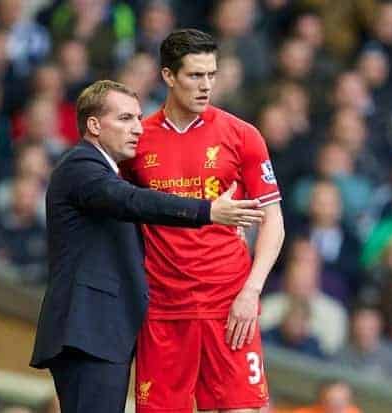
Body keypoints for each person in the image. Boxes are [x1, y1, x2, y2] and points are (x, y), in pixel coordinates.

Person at [30, 80, 265, 413]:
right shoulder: (81, 167)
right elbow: (129, 201)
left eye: (139, 118)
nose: (138, 129)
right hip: (88, 333)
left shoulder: (107, 173)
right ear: (94, 125)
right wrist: (208, 211)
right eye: (125, 119)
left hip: (103, 335)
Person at [120, 29, 285, 412]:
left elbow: (273, 219)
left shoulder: (242, 135)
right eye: (195, 75)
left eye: (212, 74)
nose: (206, 85)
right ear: (168, 76)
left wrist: (252, 290)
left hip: (228, 307)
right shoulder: (136, 140)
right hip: (163, 309)